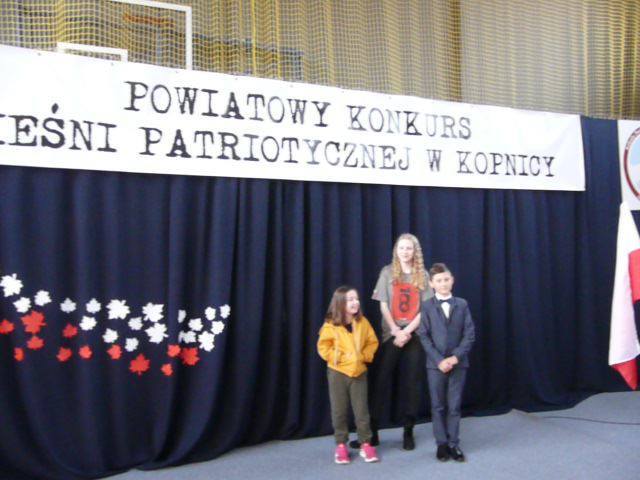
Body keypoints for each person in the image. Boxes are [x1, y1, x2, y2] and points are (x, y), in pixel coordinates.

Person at [358, 233, 433, 451]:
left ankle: (408, 430)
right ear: (396, 250)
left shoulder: (423, 275)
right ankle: (373, 431)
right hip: (391, 333)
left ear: (415, 251)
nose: (405, 252)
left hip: (413, 334)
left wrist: (407, 331)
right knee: (381, 381)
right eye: (401, 248)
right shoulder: (387, 272)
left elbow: (426, 309)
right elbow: (383, 304)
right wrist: (395, 330)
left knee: (412, 383)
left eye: (409, 248)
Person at [418, 263, 475, 462]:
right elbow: (423, 336)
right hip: (435, 366)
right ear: (432, 284)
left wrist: (455, 357)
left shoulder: (462, 304)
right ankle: (441, 444)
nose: (443, 284)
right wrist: (439, 360)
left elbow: (469, 335)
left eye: (446, 279)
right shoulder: (426, 306)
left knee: (454, 406)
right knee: (438, 406)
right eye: (439, 281)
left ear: (452, 280)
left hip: (458, 364)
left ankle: (454, 443)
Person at [317, 286, 380, 464]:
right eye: (350, 299)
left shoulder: (363, 322)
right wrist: (339, 359)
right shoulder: (330, 325)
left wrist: (363, 357)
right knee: (339, 410)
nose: (355, 302)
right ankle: (341, 445)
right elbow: (323, 347)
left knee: (362, 411)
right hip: (338, 373)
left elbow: (372, 342)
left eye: (356, 299)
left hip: (359, 372)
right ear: (339, 303)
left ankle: (365, 443)